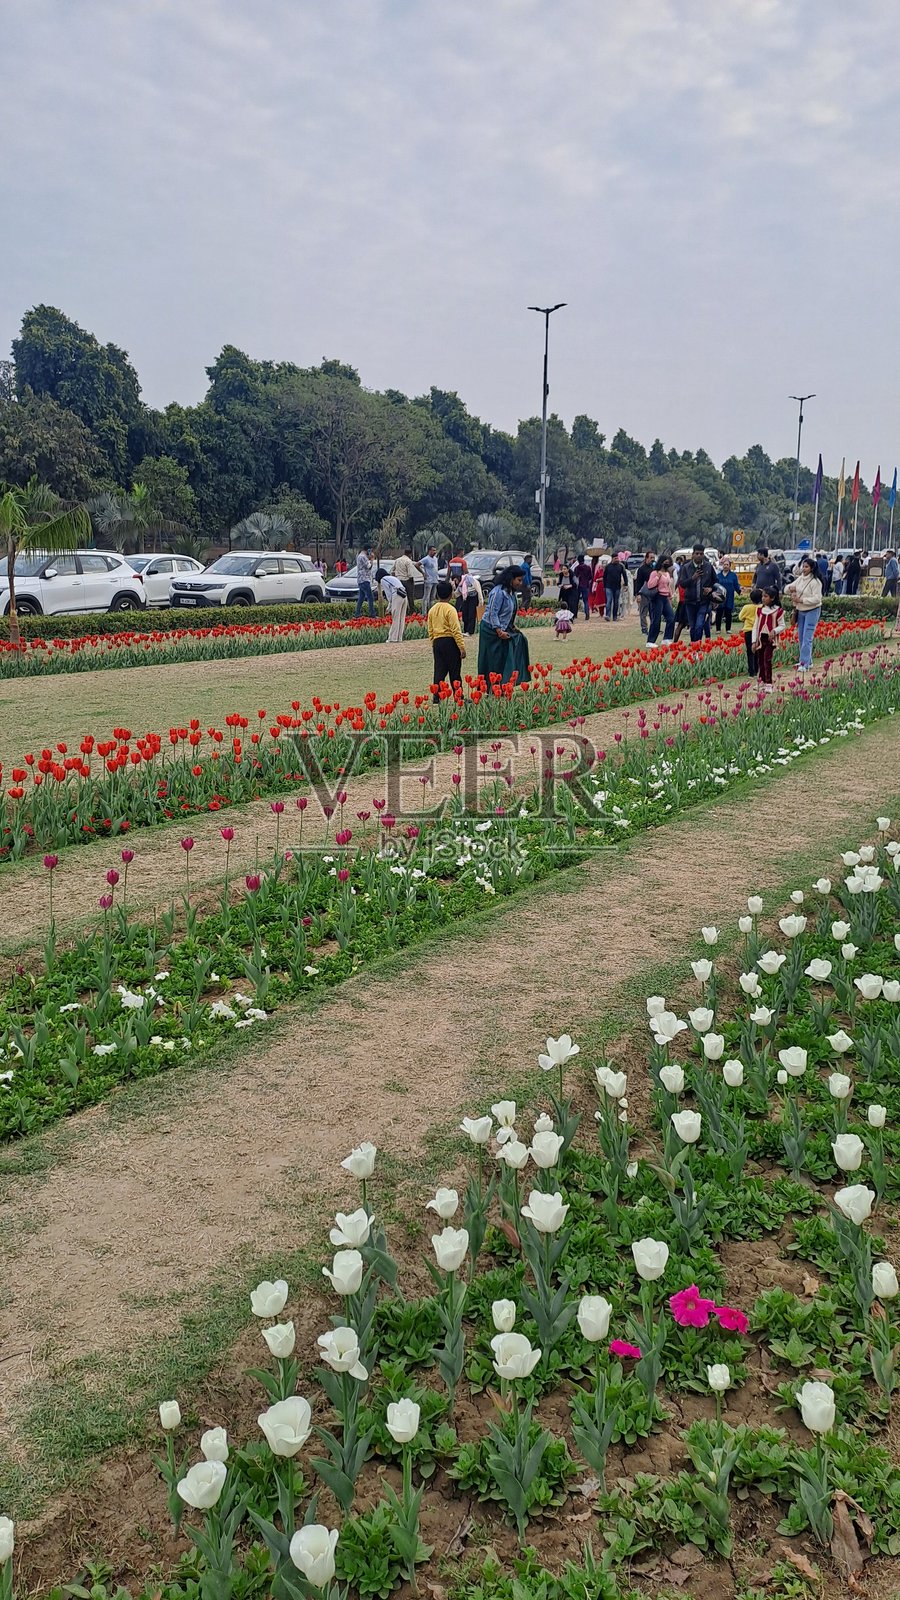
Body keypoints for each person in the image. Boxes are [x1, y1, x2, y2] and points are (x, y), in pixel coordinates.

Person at [477, 565, 531, 685]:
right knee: (493, 659)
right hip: (490, 630)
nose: (520, 583)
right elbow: (493, 613)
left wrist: (512, 626)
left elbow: (510, 612)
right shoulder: (498, 592)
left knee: (513, 648)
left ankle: (504, 683)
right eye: (519, 580)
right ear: (510, 578)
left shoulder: (511, 593)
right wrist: (499, 631)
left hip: (503, 628)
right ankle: (490, 686)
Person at [427, 579, 465, 699]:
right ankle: (458, 695)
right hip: (450, 641)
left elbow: (430, 629)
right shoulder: (450, 609)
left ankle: (437, 696)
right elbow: (456, 630)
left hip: (437, 642)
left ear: (437, 594)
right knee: (454, 670)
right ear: (451, 594)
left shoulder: (432, 610)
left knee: (439, 669)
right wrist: (461, 647)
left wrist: (433, 642)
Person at [785, 556, 823, 671]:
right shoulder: (800, 579)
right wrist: (790, 589)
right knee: (801, 637)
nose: (804, 569)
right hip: (801, 611)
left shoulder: (815, 582)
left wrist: (802, 600)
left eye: (806, 567)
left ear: (811, 568)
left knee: (807, 637)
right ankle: (807, 661)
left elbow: (817, 599)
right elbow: (786, 589)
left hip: (812, 610)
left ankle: (804, 663)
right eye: (803, 566)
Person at [679, 544, 717, 641]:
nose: (699, 555)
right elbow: (682, 583)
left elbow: (715, 581)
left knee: (699, 625)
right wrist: (692, 578)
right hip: (690, 602)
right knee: (692, 626)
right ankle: (694, 646)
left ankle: (698, 647)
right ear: (693, 554)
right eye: (697, 553)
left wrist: (711, 588)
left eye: (701, 554)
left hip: (704, 602)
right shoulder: (686, 567)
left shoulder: (708, 567)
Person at [752, 586, 784, 690]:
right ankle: (761, 680)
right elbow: (755, 626)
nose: (763, 598)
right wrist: (754, 641)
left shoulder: (778, 611)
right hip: (761, 639)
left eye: (766, 596)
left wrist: (774, 631)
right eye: (762, 596)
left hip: (770, 640)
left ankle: (769, 683)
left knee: (767, 659)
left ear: (772, 598)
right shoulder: (760, 610)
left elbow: (782, 625)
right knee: (760, 660)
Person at [645, 557, 676, 646]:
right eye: (665, 561)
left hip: (665, 597)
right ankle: (650, 641)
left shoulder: (667, 573)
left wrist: (670, 596)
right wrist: (657, 577)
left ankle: (667, 638)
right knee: (656, 619)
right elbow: (650, 585)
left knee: (671, 617)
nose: (667, 563)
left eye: (668, 561)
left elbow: (667, 586)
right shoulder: (654, 573)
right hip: (657, 597)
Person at [378, 566, 408, 642]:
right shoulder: (392, 578)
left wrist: (389, 607)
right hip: (404, 595)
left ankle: (392, 638)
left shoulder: (383, 579)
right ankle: (399, 638)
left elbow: (389, 595)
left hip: (397, 595)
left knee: (395, 617)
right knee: (401, 618)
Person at [713, 557, 741, 634]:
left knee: (728, 613)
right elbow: (715, 585)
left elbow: (736, 585)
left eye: (727, 565)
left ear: (729, 566)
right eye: (724, 564)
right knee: (719, 613)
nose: (725, 566)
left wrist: (739, 591)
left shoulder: (733, 575)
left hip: (729, 597)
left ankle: (728, 629)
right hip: (720, 597)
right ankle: (718, 629)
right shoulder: (718, 575)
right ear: (722, 565)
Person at [633, 549, 657, 636]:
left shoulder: (655, 569)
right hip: (644, 593)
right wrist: (638, 594)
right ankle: (644, 629)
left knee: (653, 612)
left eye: (653, 557)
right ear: (646, 558)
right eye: (651, 557)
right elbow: (638, 582)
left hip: (654, 594)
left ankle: (654, 628)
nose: (652, 559)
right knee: (643, 612)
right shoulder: (642, 569)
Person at [393, 547, 423, 614]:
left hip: (398, 581)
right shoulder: (408, 561)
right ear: (410, 554)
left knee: (400, 598)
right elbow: (410, 574)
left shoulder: (397, 560)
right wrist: (412, 582)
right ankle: (411, 612)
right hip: (407, 581)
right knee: (410, 598)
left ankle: (401, 611)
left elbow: (392, 571)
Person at [739, 588, 760, 676]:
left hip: (748, 631)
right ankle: (757, 669)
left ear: (750, 598)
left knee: (749, 651)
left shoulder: (746, 607)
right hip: (759, 631)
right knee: (758, 650)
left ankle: (751, 672)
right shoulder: (762, 607)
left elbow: (740, 617)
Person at [458, 568, 483, 635]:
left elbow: (479, 590)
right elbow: (456, 594)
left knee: (471, 613)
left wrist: (481, 601)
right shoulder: (460, 584)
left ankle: (470, 631)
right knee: (465, 613)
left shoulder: (471, 581)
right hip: (465, 598)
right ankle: (466, 630)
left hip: (473, 597)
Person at [355, 545, 376, 619]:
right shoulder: (363, 557)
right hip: (364, 579)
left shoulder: (360, 556)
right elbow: (369, 566)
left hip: (361, 579)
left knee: (361, 597)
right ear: (367, 550)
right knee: (370, 597)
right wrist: (372, 559)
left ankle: (357, 613)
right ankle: (372, 613)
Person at [604, 552, 624, 620]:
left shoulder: (620, 566)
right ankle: (608, 615)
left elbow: (624, 575)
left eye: (617, 558)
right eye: (615, 558)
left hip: (617, 587)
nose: (617, 559)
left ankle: (615, 616)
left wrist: (626, 584)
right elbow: (604, 577)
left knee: (616, 602)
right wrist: (604, 586)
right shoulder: (608, 566)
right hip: (608, 586)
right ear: (612, 558)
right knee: (609, 601)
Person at [573, 554, 592, 619]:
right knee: (586, 601)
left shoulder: (576, 568)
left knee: (576, 600)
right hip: (586, 586)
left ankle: (575, 614)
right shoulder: (588, 568)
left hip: (578, 587)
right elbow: (590, 577)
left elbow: (575, 578)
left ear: (578, 560)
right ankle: (587, 614)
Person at [421, 546, 439, 613]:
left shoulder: (435, 559)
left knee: (432, 598)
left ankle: (431, 612)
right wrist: (423, 573)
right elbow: (417, 564)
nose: (435, 552)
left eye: (435, 550)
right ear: (429, 551)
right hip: (429, 580)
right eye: (433, 550)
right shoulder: (426, 559)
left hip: (435, 580)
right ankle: (424, 613)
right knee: (426, 597)